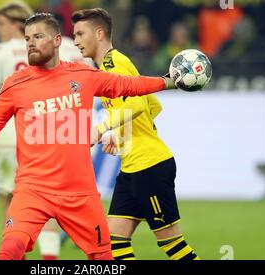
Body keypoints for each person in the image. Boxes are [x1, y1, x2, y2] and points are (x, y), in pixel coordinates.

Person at [0, 12, 174, 260]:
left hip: (80, 194)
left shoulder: (82, 75)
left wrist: (169, 82)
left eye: (38, 36)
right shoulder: (15, 85)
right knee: (9, 250)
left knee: (105, 259)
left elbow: (130, 86)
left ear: (56, 41)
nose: (31, 42)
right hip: (33, 190)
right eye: (28, 38)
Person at [72, 8, 200, 260]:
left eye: (80, 34)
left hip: (149, 166)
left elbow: (138, 105)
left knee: (172, 244)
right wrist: (120, 135)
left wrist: (101, 128)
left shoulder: (113, 64)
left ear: (99, 34)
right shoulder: (114, 64)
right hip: (132, 169)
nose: (75, 40)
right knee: (115, 242)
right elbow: (153, 105)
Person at [0, 1, 84, 260]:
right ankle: (50, 260)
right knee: (48, 204)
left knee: (11, 207)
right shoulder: (68, 46)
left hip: (9, 137)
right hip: (53, 137)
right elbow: (86, 84)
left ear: (17, 23)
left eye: (0, 23)